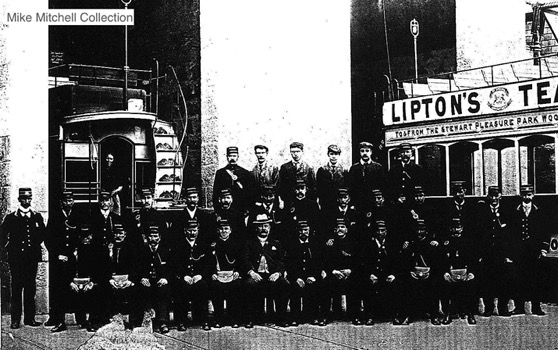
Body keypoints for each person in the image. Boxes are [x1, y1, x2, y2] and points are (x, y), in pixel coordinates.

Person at [0, 188, 45, 329]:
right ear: (19, 200)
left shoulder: (36, 216)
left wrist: (35, 246)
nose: (27, 201)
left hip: (31, 259)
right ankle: (15, 320)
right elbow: (2, 235)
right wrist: (9, 247)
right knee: (17, 288)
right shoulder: (11, 217)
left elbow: (42, 234)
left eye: (29, 198)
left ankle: (29, 319)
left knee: (30, 288)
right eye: (24, 199)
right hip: (17, 259)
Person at [241, 213, 289, 328]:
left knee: (283, 284)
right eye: (261, 226)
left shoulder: (276, 243)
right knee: (249, 285)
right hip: (256, 274)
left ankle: (280, 318)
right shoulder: (249, 243)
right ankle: (251, 319)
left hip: (272, 274)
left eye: (266, 226)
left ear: (270, 228)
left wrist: (278, 273)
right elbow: (244, 260)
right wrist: (252, 272)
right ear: (256, 228)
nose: (264, 229)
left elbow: (281, 260)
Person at [44, 191, 81, 330]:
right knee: (57, 289)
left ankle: (80, 317)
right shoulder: (55, 216)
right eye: (66, 201)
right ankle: (57, 319)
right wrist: (56, 254)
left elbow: (80, 234)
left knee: (74, 287)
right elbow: (47, 238)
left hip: (72, 257)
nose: (68, 203)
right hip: (58, 259)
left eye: (71, 200)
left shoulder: (77, 215)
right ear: (61, 202)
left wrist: (77, 250)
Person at [510, 185, 548, 316]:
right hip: (519, 252)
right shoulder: (515, 211)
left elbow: (545, 232)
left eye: (529, 194)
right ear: (521, 195)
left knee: (536, 279)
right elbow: (510, 233)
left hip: (534, 251)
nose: (526, 197)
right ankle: (519, 307)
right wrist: (511, 252)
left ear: (533, 195)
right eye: (524, 194)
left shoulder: (539, 211)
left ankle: (536, 307)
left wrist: (543, 249)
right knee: (519, 279)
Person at [476, 186, 513, 317]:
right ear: (488, 197)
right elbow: (479, 235)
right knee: (487, 281)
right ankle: (489, 308)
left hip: (501, 254)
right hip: (487, 253)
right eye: (491, 196)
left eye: (496, 196)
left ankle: (503, 308)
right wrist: (480, 254)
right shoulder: (482, 212)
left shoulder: (506, 212)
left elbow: (510, 235)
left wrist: (508, 255)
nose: (494, 199)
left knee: (503, 281)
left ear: (500, 197)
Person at [64, 225, 108, 332]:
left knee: (97, 291)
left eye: (88, 237)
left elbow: (99, 270)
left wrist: (92, 282)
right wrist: (70, 282)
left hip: (90, 281)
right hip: (75, 281)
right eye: (83, 237)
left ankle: (93, 320)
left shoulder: (96, 252)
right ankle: (80, 320)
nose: (86, 239)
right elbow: (67, 270)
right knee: (68, 291)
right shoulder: (73, 251)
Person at [397, 220, 441, 325]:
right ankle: (407, 314)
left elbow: (437, 264)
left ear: (426, 232)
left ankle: (434, 315)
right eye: (417, 230)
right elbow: (405, 263)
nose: (419, 232)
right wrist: (410, 272)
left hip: (429, 274)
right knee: (406, 282)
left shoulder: (431, 244)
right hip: (414, 274)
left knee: (434, 283)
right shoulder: (410, 245)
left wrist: (430, 273)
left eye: (422, 230)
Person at [285, 221, 327, 326]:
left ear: (309, 231)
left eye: (305, 230)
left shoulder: (315, 244)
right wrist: (296, 278)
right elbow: (289, 264)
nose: (303, 233)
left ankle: (313, 315)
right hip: (296, 276)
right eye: (301, 230)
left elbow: (319, 263)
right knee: (294, 288)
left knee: (314, 287)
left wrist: (314, 276)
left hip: (311, 275)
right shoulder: (291, 245)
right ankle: (295, 316)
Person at [358, 220, 400, 326]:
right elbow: (364, 263)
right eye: (378, 230)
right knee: (367, 285)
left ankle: (395, 315)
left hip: (387, 274)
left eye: (383, 230)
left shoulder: (392, 244)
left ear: (386, 232)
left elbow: (396, 261)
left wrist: (393, 274)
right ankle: (370, 316)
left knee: (397, 284)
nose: (380, 233)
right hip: (374, 274)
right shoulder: (369, 245)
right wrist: (370, 274)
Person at [173, 220, 211, 331]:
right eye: (190, 230)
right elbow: (175, 263)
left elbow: (209, 263)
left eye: (194, 230)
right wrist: (183, 275)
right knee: (181, 288)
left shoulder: (203, 245)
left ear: (198, 231)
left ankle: (203, 319)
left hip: (198, 277)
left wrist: (201, 275)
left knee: (203, 286)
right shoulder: (179, 245)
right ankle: (181, 321)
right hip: (184, 277)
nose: (192, 233)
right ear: (185, 231)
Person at [439, 218, 478, 325]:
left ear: (462, 228)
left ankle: (470, 313)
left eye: (458, 227)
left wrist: (471, 273)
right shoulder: (446, 242)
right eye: (453, 228)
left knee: (472, 284)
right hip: (450, 273)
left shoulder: (468, 242)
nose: (456, 230)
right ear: (450, 229)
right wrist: (445, 272)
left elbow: (473, 259)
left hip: (465, 273)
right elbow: (442, 260)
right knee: (444, 285)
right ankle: (447, 313)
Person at [105, 223, 142, 329]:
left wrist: (130, 280)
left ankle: (134, 321)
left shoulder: (131, 247)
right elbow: (104, 266)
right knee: (104, 289)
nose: (118, 236)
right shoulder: (108, 247)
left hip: (127, 279)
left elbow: (136, 266)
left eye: (120, 233)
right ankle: (111, 319)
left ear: (125, 234)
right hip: (113, 280)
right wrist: (110, 280)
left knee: (137, 290)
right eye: (116, 233)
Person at [324, 218, 360, 324]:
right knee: (326, 283)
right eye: (338, 227)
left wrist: (350, 270)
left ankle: (354, 315)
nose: (340, 229)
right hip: (335, 273)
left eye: (343, 227)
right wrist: (333, 271)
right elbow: (326, 261)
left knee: (355, 283)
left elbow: (357, 261)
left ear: (347, 229)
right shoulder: (330, 243)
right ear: (335, 230)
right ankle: (327, 315)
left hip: (349, 274)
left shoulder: (353, 243)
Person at [208, 219, 243, 328]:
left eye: (226, 229)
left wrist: (238, 271)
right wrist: (212, 273)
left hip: (232, 274)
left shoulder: (236, 244)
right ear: (218, 230)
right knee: (215, 287)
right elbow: (208, 262)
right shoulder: (213, 245)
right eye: (221, 229)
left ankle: (233, 318)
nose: (224, 231)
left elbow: (241, 260)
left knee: (235, 287)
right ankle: (218, 318)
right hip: (217, 274)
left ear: (230, 230)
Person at [139, 226, 173, 333]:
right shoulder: (142, 250)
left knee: (164, 290)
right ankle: (146, 321)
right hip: (147, 281)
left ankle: (163, 322)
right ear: (146, 237)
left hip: (160, 281)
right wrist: (142, 278)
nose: (153, 239)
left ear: (160, 237)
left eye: (155, 236)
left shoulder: (166, 251)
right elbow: (136, 267)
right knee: (143, 290)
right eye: (151, 236)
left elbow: (172, 268)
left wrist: (166, 278)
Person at [213, 146, 254, 213]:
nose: (232, 158)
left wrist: (246, 209)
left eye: (234, 156)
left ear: (238, 157)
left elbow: (248, 193)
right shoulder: (220, 173)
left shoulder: (245, 173)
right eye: (230, 156)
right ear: (227, 157)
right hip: (225, 209)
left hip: (240, 210)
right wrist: (217, 211)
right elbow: (216, 193)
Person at [348, 142, 386, 211]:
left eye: (367, 151)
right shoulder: (354, 169)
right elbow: (351, 188)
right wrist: (352, 204)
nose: (365, 153)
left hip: (374, 205)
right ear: (359, 152)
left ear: (371, 152)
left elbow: (383, 186)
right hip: (358, 205)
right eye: (362, 151)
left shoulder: (378, 167)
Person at [316, 144, 347, 214]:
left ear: (339, 155)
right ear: (328, 155)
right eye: (331, 154)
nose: (333, 156)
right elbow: (318, 188)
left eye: (336, 154)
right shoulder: (322, 170)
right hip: (325, 203)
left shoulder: (344, 171)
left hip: (339, 204)